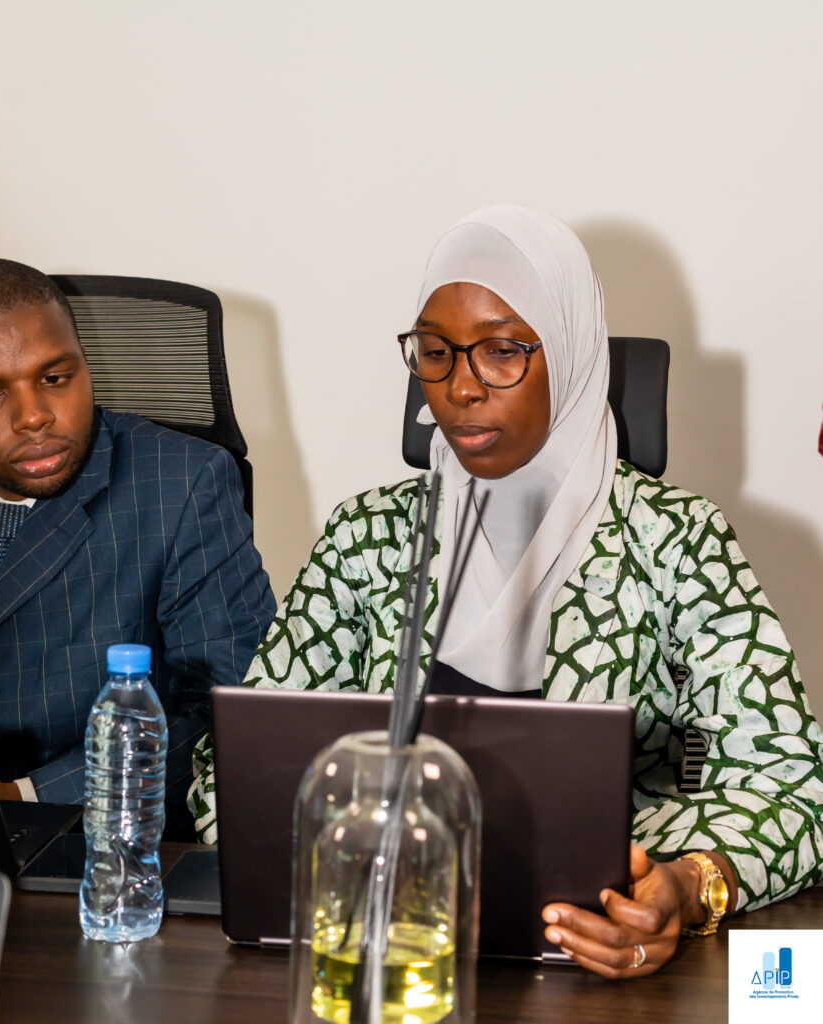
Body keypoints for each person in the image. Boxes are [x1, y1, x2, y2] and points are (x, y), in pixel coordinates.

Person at [189, 205, 823, 974]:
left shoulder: (675, 539)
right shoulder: (368, 537)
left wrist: (687, 887)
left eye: (501, 352)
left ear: (572, 353)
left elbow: (793, 786)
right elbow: (232, 774)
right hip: (388, 947)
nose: (459, 388)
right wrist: (365, 857)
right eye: (435, 353)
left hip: (593, 954)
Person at [0, 258, 276, 838]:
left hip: (109, 842)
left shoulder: (183, 484)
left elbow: (229, 710)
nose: (33, 417)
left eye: (56, 378)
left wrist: (28, 796)